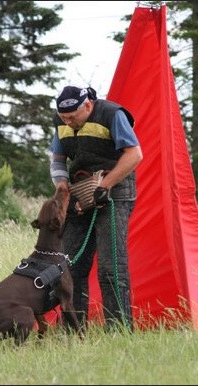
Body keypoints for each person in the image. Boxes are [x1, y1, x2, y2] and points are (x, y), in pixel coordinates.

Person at [49, 85, 142, 331]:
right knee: (70, 266)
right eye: (63, 118)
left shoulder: (112, 114)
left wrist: (105, 186)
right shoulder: (62, 122)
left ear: (88, 105)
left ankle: (119, 331)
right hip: (79, 193)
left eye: (72, 117)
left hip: (114, 193)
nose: (68, 123)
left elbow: (134, 154)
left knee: (111, 267)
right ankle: (72, 331)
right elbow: (57, 160)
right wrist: (62, 189)